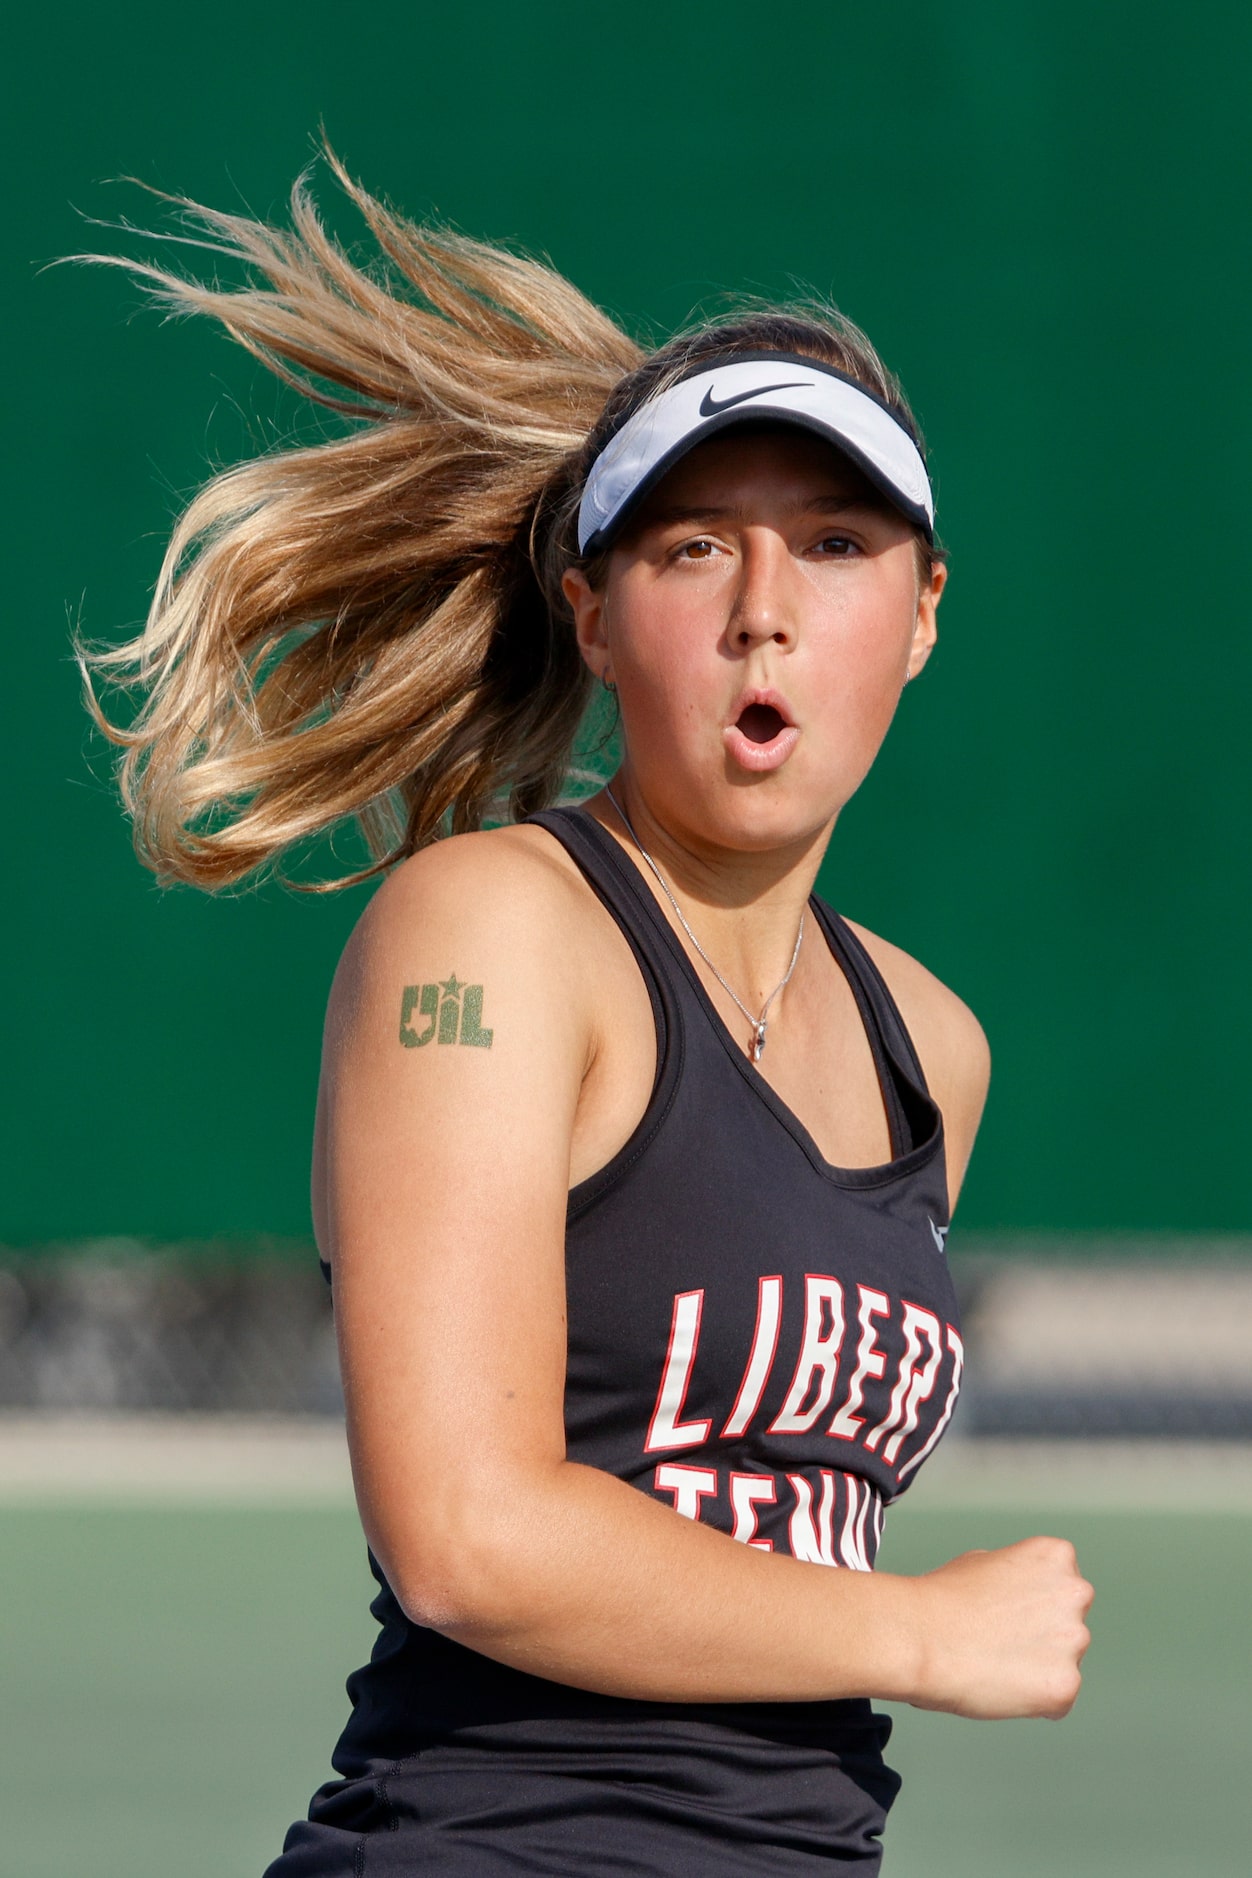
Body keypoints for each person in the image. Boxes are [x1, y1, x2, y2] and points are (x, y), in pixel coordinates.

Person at [80, 150, 1093, 1875]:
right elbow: (467, 1537)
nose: (766, 613)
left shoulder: (937, 1047)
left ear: (922, 618)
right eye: (696, 550)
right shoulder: (483, 937)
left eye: (837, 547)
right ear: (594, 617)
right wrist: (921, 1634)